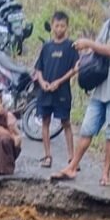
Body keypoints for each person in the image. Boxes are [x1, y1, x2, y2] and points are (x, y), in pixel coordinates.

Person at [52, 0, 110, 186]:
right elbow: (97, 49)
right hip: (101, 88)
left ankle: (106, 174)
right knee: (87, 129)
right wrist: (82, 60)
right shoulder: (108, 24)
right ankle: (72, 166)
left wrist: (89, 43)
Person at [34, 11, 80, 168]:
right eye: (57, 25)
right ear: (52, 26)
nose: (59, 29)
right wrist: (42, 82)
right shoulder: (46, 46)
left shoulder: (71, 47)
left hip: (62, 92)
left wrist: (59, 82)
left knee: (65, 122)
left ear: (67, 27)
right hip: (46, 91)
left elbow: (75, 68)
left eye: (62, 26)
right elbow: (38, 69)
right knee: (45, 121)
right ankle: (47, 156)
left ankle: (72, 159)